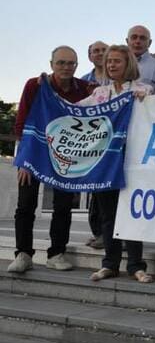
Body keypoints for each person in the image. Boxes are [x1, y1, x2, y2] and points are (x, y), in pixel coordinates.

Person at [8, 46, 94, 274]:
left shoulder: (85, 89)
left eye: (71, 63)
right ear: (51, 64)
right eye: (61, 62)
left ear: (77, 66)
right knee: (26, 204)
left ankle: (57, 253)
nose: (66, 67)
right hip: (34, 153)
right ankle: (23, 254)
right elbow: (21, 122)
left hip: (65, 155)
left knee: (63, 206)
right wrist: (24, 158)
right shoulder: (35, 86)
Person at [82, 45, 154, 284]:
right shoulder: (99, 94)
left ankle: (136, 265)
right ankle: (110, 264)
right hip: (104, 161)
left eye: (117, 61)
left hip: (132, 160)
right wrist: (49, 95)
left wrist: (148, 102)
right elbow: (78, 111)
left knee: (131, 211)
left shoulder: (144, 90)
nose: (111, 65)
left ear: (128, 64)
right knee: (108, 214)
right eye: (109, 61)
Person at [81, 40, 109, 249]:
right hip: (93, 143)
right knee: (95, 189)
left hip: (114, 142)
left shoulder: (118, 77)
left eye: (103, 50)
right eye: (95, 51)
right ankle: (98, 231)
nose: (100, 54)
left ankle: (108, 233)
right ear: (90, 56)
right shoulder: (83, 82)